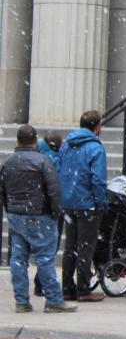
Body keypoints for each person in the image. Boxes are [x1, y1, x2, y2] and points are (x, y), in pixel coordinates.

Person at [0, 124, 75, 313]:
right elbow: (54, 190)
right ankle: (53, 300)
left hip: (17, 215)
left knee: (18, 259)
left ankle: (22, 301)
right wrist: (56, 213)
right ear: (35, 141)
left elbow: (3, 191)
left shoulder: (8, 162)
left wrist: (10, 209)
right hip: (39, 215)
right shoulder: (43, 161)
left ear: (18, 141)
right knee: (45, 259)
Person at [59, 110, 109, 302]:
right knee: (86, 247)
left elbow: (60, 170)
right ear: (97, 127)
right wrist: (101, 202)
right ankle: (83, 288)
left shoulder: (66, 145)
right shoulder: (95, 148)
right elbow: (98, 179)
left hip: (69, 201)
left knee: (70, 246)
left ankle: (67, 287)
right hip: (87, 203)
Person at [34, 132, 63, 297]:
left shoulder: (37, 155)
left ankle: (38, 283)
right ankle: (43, 284)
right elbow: (55, 186)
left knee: (39, 247)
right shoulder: (53, 160)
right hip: (49, 209)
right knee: (49, 248)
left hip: (34, 207)